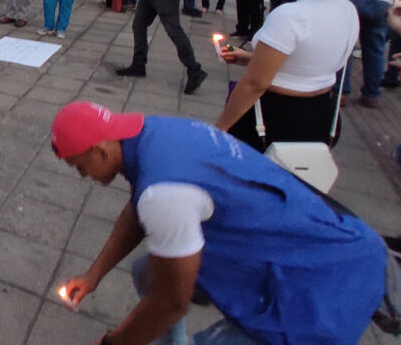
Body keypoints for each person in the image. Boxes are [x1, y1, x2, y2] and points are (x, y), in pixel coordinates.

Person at [52, 101, 387, 345]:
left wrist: (115, 343)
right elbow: (137, 211)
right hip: (303, 243)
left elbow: (172, 301)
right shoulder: (152, 134)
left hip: (320, 288)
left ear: (100, 152)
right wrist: (93, 275)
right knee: (147, 272)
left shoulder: (164, 193)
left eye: (80, 167)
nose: (84, 176)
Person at [216, 0, 363, 151]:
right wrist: (250, 58)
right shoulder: (348, 10)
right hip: (322, 114)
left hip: (275, 117)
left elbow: (255, 84)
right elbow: (310, 60)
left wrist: (221, 128)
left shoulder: (290, 15)